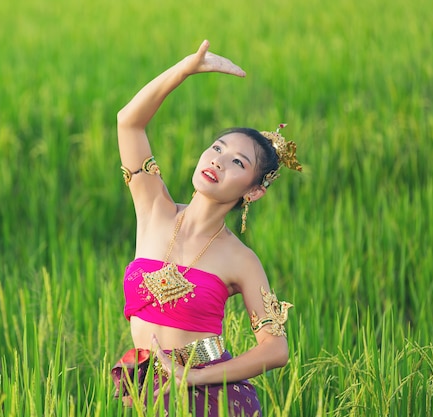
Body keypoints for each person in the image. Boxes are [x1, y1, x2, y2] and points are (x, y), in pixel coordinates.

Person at [111, 40, 301, 417]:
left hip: (211, 398)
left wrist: (192, 378)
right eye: (216, 148)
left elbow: (275, 349)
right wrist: (184, 69)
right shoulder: (153, 208)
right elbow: (128, 121)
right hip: (145, 383)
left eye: (237, 162)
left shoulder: (241, 260)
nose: (217, 161)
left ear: (255, 191)